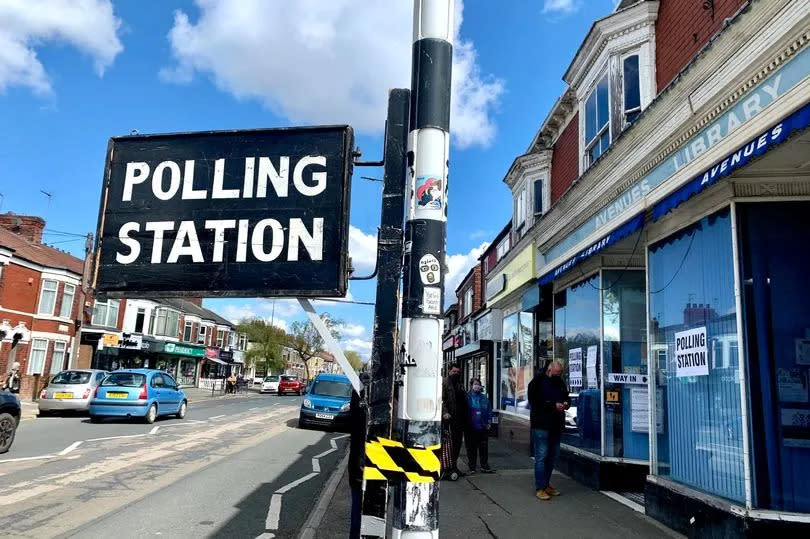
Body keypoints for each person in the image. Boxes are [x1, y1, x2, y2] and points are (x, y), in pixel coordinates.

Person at [527, 360, 569, 501]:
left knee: (553, 456)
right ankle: (540, 487)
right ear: (549, 370)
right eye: (557, 373)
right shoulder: (537, 382)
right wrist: (552, 405)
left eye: (560, 373)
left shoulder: (560, 382)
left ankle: (546, 484)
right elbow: (534, 401)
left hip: (556, 425)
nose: (559, 375)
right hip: (541, 425)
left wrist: (566, 403)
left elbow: (566, 396)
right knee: (542, 456)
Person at [441, 363, 468, 479]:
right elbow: (440, 400)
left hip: (460, 419)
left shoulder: (460, 385)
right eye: (454, 372)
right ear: (449, 371)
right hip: (449, 419)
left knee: (457, 444)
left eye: (458, 372)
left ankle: (454, 466)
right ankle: (446, 468)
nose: (456, 374)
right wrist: (445, 412)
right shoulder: (444, 383)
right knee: (449, 445)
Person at [466, 378, 494, 474]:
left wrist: (489, 422)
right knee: (471, 448)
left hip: (483, 426)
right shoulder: (467, 397)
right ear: (471, 385)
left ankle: (484, 466)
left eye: (478, 384)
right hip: (470, 427)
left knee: (483, 448)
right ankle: (472, 467)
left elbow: (489, 410)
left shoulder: (484, 398)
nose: (477, 386)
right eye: (475, 384)